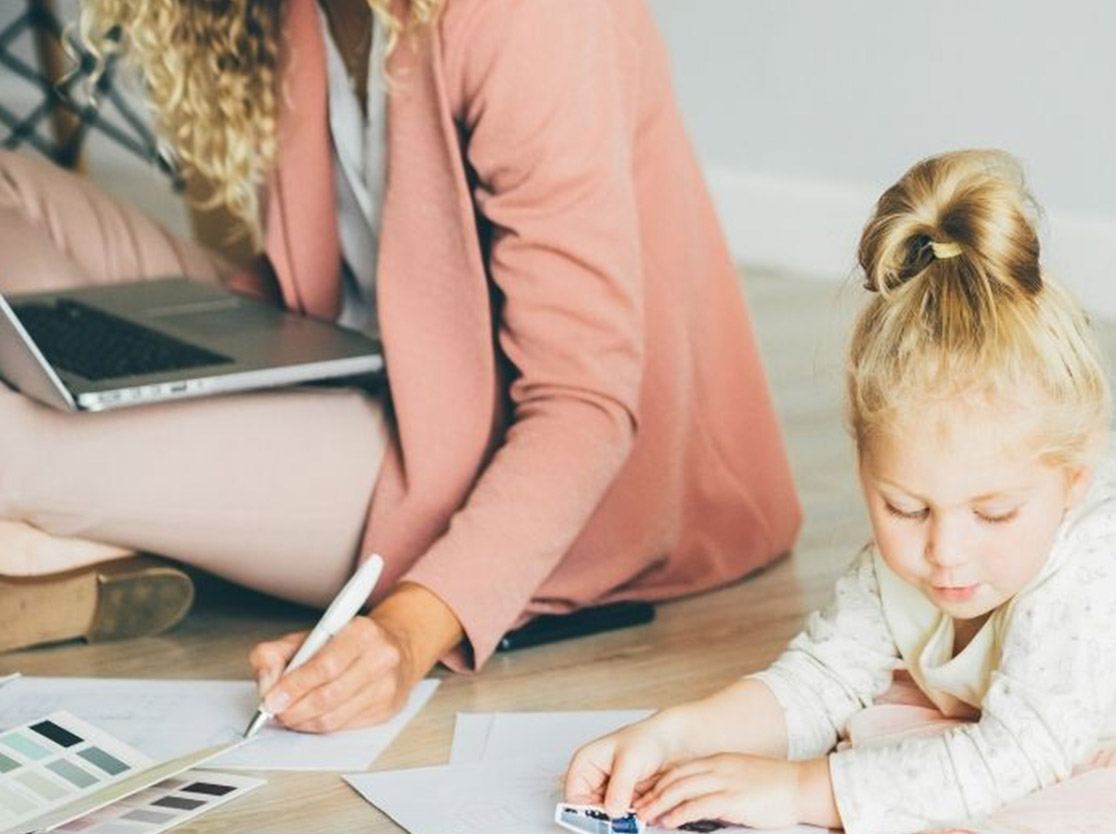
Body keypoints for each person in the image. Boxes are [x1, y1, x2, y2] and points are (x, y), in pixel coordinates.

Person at [0, 0, 801, 728]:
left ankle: (65, 517)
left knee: (16, 440)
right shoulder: (306, 11)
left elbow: (583, 406)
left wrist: (406, 632)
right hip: (344, 354)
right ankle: (90, 524)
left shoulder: (532, 17)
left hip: (470, 459)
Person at [564, 149, 1116, 834]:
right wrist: (671, 734)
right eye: (906, 507)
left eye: (993, 514)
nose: (944, 551)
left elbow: (1019, 754)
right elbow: (818, 680)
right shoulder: (897, 568)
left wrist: (799, 789)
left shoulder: (1098, 569)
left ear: (1076, 477)